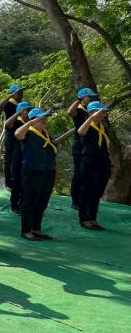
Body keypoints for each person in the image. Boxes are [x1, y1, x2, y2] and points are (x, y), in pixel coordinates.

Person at [14, 108, 57, 240]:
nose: (44, 120)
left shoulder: (46, 134)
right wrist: (30, 123)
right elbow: (17, 134)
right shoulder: (27, 132)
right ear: (33, 120)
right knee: (29, 201)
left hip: (47, 172)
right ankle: (26, 230)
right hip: (32, 171)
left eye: (45, 118)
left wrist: (55, 172)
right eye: (41, 118)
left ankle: (36, 228)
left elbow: (52, 154)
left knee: (42, 201)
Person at [76, 101, 111, 231]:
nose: (102, 114)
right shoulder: (87, 125)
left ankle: (92, 217)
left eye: (103, 112)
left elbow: (106, 145)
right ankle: (83, 218)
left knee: (97, 191)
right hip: (89, 161)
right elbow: (80, 132)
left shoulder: (103, 127)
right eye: (100, 112)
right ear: (91, 112)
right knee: (86, 189)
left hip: (102, 161)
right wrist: (91, 118)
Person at [67, 87, 99, 210]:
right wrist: (78, 100)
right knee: (78, 173)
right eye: (89, 97)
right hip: (79, 145)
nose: (91, 99)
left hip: (90, 146)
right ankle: (75, 201)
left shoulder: (91, 111)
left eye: (92, 97)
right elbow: (70, 112)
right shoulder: (79, 110)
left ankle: (85, 199)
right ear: (82, 98)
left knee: (88, 173)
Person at [3, 101, 32, 214]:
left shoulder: (29, 123)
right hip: (16, 155)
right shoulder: (16, 122)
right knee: (16, 180)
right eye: (26, 110)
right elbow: (7, 124)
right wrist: (18, 113)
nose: (28, 112)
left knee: (26, 180)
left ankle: (24, 202)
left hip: (27, 155)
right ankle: (14, 204)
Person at [0, 84, 25, 191]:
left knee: (19, 158)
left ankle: (17, 180)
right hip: (11, 133)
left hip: (21, 133)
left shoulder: (22, 104)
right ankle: (8, 183)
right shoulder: (9, 103)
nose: (21, 94)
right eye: (18, 92)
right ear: (13, 93)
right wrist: (10, 96)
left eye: (21, 92)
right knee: (9, 158)